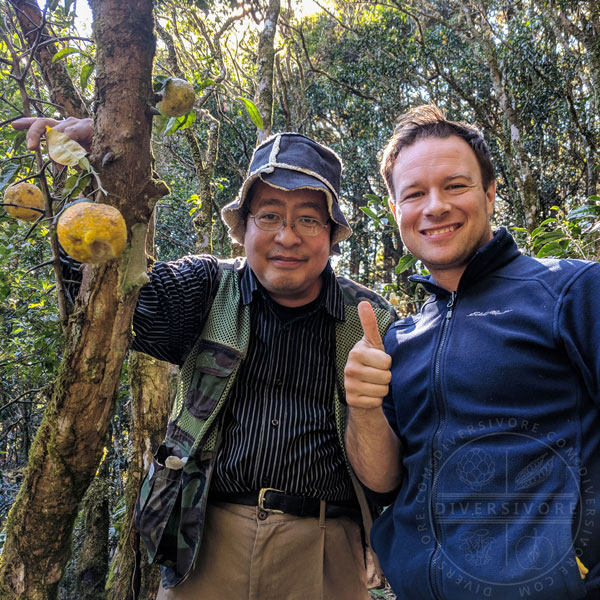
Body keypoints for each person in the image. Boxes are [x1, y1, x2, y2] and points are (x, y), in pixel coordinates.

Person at [12, 117, 396, 599]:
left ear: (333, 233)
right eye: (270, 215)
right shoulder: (206, 287)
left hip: (326, 553)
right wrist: (97, 175)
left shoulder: (369, 320)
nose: (287, 236)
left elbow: (389, 471)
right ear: (243, 227)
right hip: (204, 542)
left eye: (308, 219)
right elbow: (110, 300)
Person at [344, 105, 600, 600]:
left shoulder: (572, 292)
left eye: (455, 185)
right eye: (414, 194)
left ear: (489, 192)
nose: (434, 206)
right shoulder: (400, 338)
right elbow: (384, 481)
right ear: (397, 211)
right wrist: (364, 407)